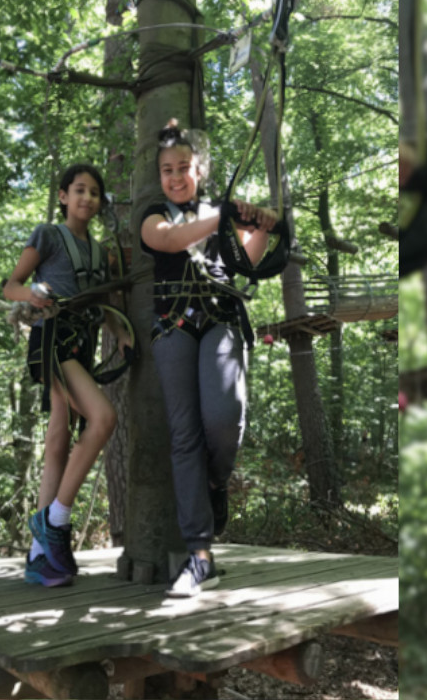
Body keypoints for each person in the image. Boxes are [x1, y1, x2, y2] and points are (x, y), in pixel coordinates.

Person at [139, 120, 277, 598]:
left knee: (223, 416)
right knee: (184, 434)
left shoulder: (220, 212)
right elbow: (169, 241)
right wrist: (225, 219)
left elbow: (248, 262)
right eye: (166, 170)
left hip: (219, 318)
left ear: (200, 170)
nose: (175, 177)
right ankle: (199, 555)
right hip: (174, 325)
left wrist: (258, 226)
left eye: (183, 168)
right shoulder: (154, 213)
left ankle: (216, 484)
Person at [3, 163, 132, 588]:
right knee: (103, 418)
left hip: (82, 344)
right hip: (52, 339)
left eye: (95, 192)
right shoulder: (48, 236)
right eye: (79, 190)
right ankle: (54, 522)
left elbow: (108, 306)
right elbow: (12, 285)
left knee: (59, 435)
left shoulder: (102, 253)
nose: (87, 199)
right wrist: (33, 294)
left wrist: (123, 334)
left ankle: (41, 559)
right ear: (63, 196)